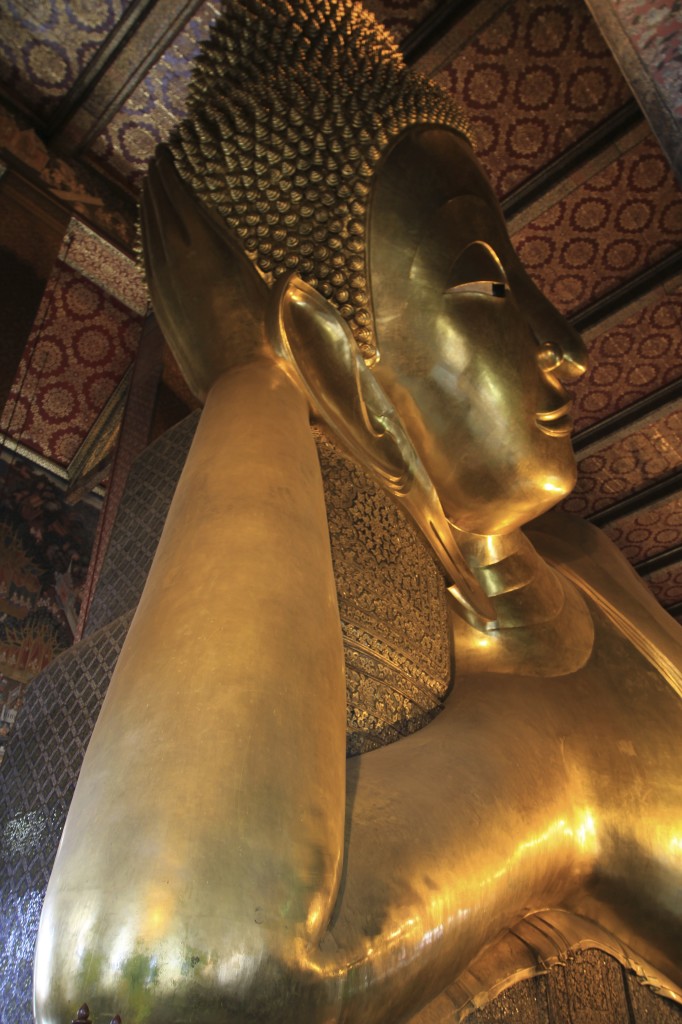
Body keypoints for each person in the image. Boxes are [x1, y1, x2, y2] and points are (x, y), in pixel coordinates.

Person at [34, 2, 682, 1022]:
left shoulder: (587, 553)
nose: (569, 344)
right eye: (489, 286)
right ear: (338, 353)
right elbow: (176, 969)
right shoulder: (544, 742)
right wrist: (256, 382)